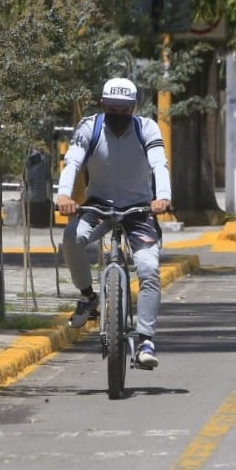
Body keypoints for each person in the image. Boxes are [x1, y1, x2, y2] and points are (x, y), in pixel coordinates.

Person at [55, 78, 172, 369]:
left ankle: (145, 339)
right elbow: (72, 162)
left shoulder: (146, 128)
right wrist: (64, 195)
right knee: (71, 238)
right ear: (102, 105)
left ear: (134, 107)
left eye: (124, 110)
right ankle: (87, 297)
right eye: (112, 109)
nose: (118, 116)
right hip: (98, 205)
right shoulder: (89, 127)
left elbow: (159, 163)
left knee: (148, 268)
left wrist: (163, 198)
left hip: (140, 209)